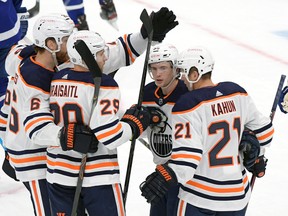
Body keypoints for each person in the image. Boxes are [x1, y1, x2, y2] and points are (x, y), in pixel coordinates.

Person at [0, 6, 178, 214]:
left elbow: (108, 54)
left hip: (55, 156)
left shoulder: (41, 57)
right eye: (67, 39)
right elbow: (35, 127)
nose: (73, 43)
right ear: (51, 44)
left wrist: (145, 37)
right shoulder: (34, 79)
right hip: (32, 156)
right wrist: (63, 135)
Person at [140, 46, 274, 215]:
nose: (182, 78)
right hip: (236, 197)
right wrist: (256, 153)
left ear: (194, 74)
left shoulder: (188, 104)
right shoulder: (236, 92)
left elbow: (188, 157)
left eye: (184, 72)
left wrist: (166, 176)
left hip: (199, 197)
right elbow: (266, 133)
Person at [46, 29, 152, 215]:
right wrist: (133, 125)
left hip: (58, 174)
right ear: (90, 56)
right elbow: (110, 136)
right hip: (97, 178)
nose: (105, 59)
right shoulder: (104, 84)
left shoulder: (57, 80)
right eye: (101, 53)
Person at [140, 43, 188, 216]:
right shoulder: (146, 92)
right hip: (160, 173)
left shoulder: (187, 94)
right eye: (153, 68)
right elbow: (142, 131)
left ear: (175, 68)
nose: (157, 73)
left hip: (183, 175)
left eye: (163, 68)